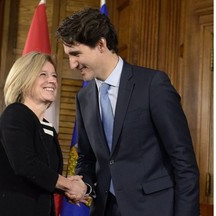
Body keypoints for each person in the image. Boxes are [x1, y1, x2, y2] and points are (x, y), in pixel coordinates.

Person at [56, 8, 200, 216]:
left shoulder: (152, 85)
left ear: (101, 44)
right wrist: (84, 184)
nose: (72, 64)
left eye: (76, 54)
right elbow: (86, 158)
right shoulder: (84, 98)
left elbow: (183, 161)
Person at [0, 52, 87, 216]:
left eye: (54, 75)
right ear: (24, 79)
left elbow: (42, 175)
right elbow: (26, 164)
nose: (52, 80)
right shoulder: (15, 113)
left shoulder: (48, 128)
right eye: (43, 74)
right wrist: (68, 185)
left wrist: (68, 191)